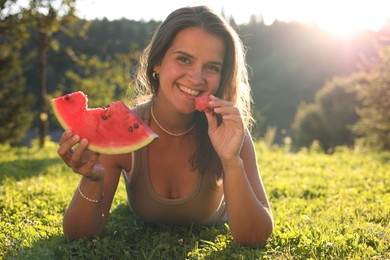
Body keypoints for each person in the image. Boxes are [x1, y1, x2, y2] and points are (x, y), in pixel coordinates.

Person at [57, 5, 273, 245]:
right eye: (184, 59)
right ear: (157, 63)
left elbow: (255, 237)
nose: (197, 78)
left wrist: (232, 162)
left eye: (212, 67)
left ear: (222, 76)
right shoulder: (119, 131)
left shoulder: (231, 134)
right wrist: (91, 179)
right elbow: (79, 235)